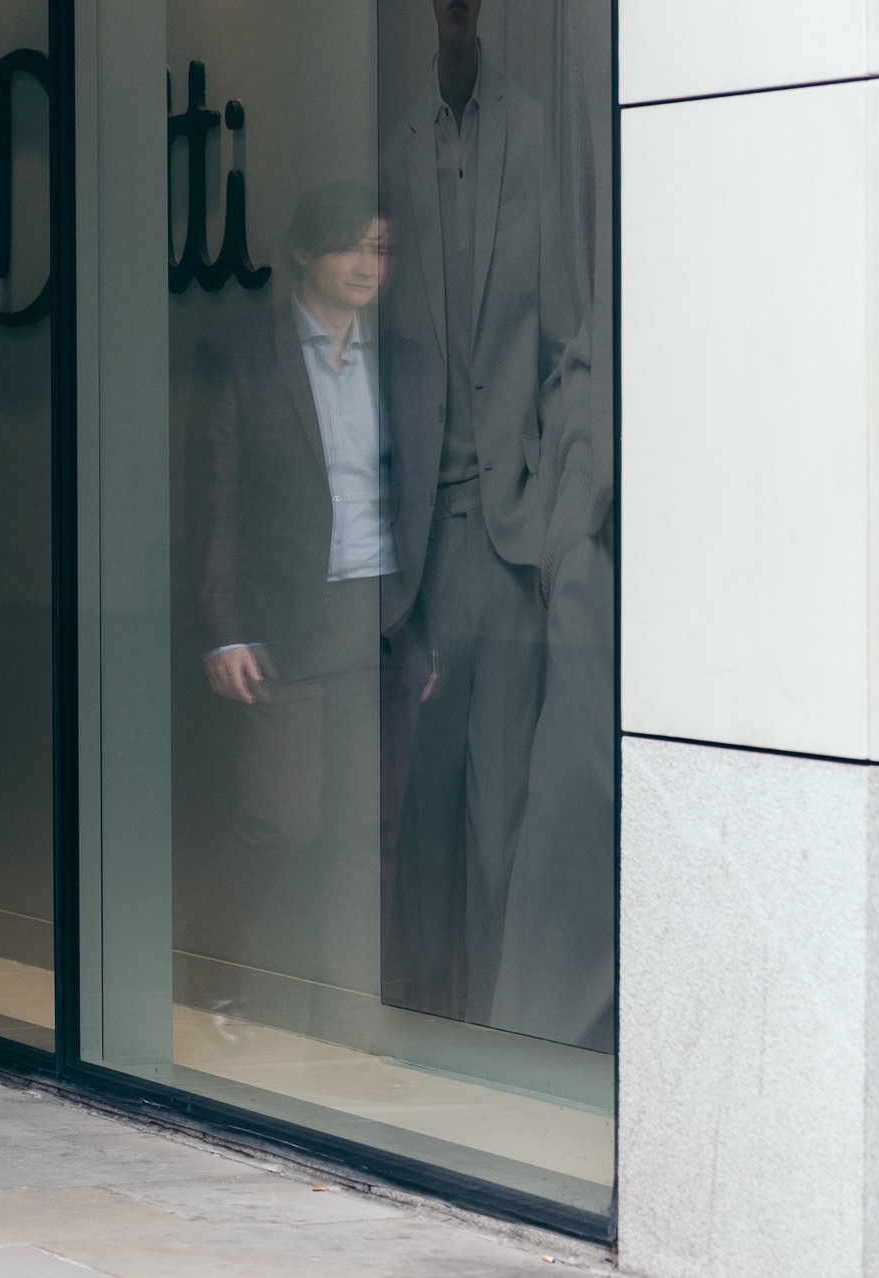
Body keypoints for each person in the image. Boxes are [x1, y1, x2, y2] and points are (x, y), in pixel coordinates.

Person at [377, 0, 592, 1024]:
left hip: (507, 538)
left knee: (500, 809)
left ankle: (498, 1036)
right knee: (421, 819)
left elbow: (563, 341)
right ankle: (420, 1028)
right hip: (421, 538)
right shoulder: (399, 146)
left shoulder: (536, 133)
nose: (455, 12)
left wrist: (550, 513)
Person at [189, 182, 430, 1014]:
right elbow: (213, 499)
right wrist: (224, 629)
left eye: (383, 250)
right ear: (304, 253)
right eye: (353, 247)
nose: (370, 265)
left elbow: (433, 500)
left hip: (383, 620)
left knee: (371, 831)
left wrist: (428, 631)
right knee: (282, 819)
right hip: (283, 621)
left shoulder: (405, 363)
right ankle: (223, 977)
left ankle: (348, 1008)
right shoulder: (242, 355)